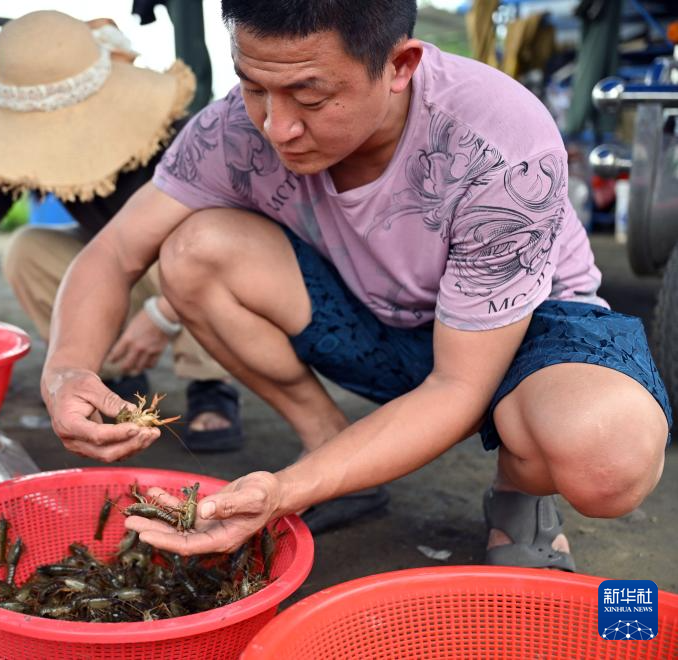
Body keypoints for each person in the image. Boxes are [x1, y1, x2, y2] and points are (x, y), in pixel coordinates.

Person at [43, 0, 672, 568]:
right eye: (254, 86)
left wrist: (287, 489)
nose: (275, 126)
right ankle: (333, 448)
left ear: (400, 65)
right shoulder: (231, 129)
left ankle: (518, 488)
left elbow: (458, 385)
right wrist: (68, 368)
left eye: (310, 99)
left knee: (605, 457)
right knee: (192, 250)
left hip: (518, 338)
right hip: (375, 314)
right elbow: (115, 252)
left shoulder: (497, 144)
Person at [0, 11, 243, 451]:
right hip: (113, 273)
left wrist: (164, 314)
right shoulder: (27, 149)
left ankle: (210, 384)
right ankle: (108, 375)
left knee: (192, 246)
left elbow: (231, 241)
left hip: (190, 268)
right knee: (27, 248)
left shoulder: (170, 132)